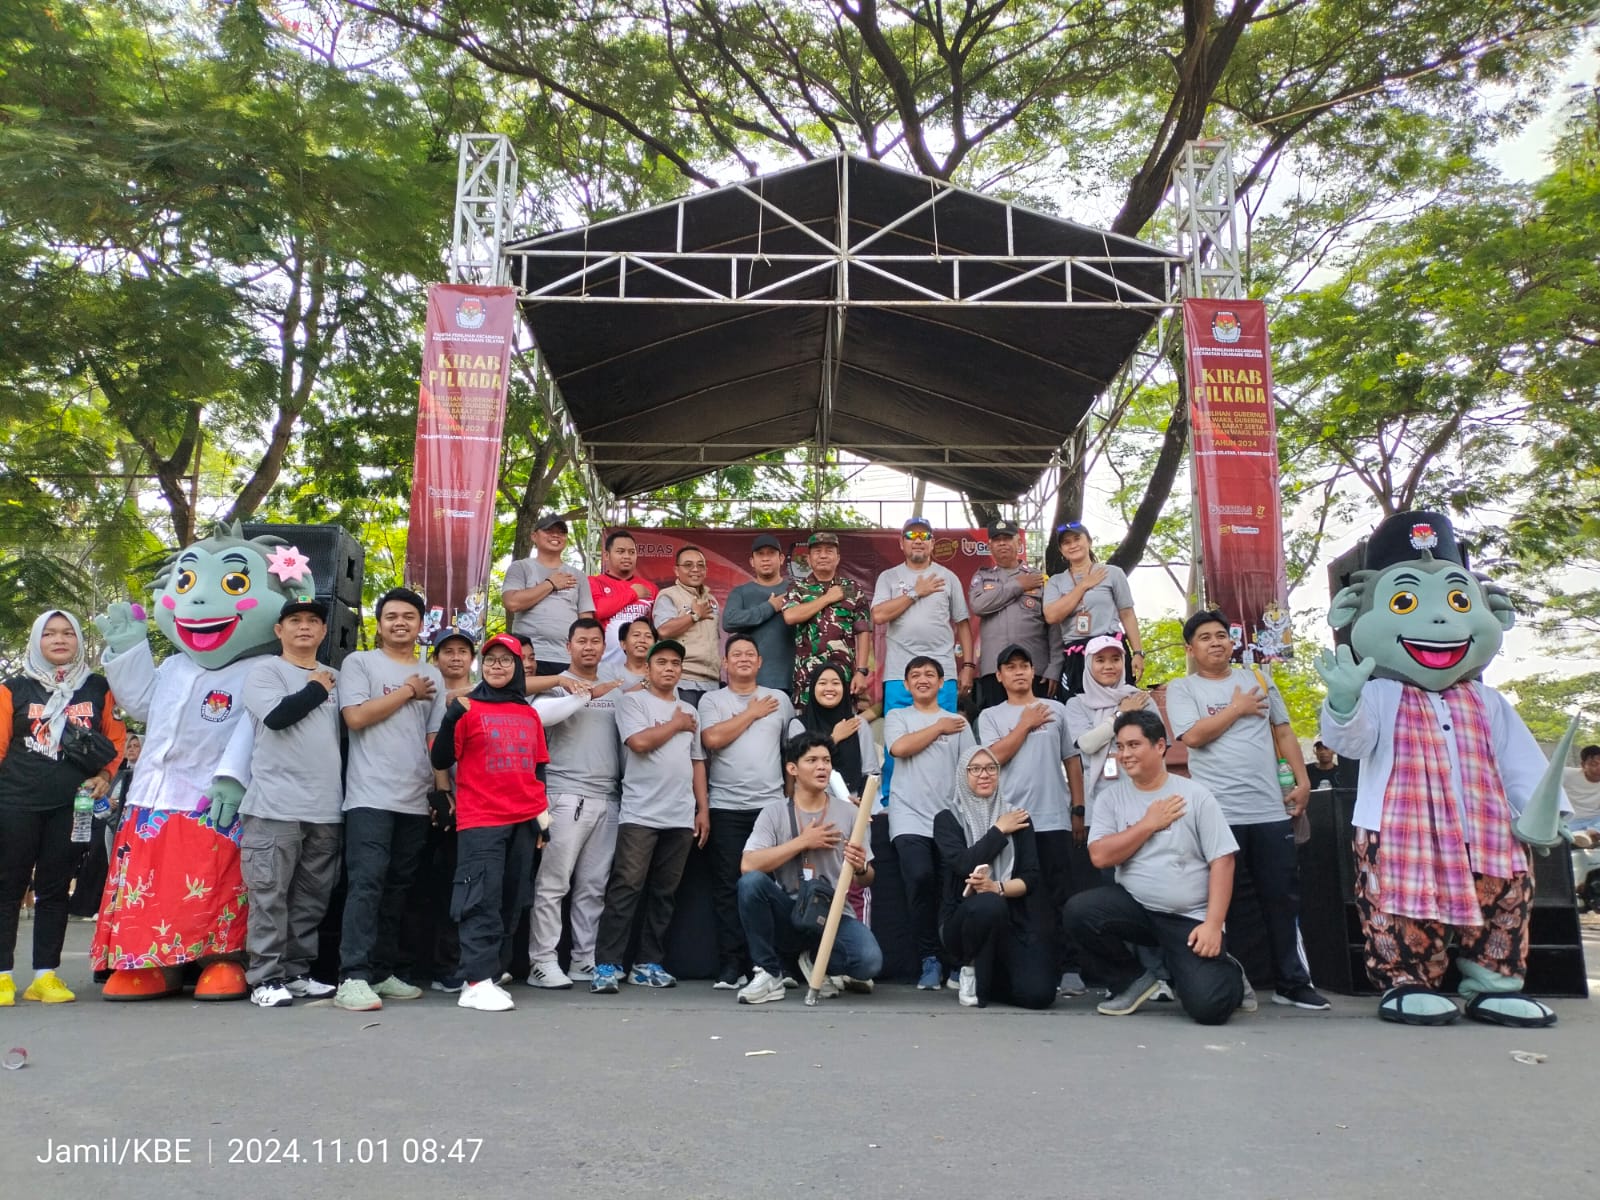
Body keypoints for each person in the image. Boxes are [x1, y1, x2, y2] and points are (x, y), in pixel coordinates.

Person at [1165, 608, 1329, 1011]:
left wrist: (1302, 779)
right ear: (1191, 648)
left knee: (1282, 897)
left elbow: (1283, 730)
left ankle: (1293, 982)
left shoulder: (1257, 678)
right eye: (1205, 637)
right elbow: (1194, 737)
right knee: (1224, 901)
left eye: (1221, 635)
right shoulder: (1183, 689)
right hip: (1218, 812)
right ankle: (1231, 982)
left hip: (1270, 810)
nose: (1216, 642)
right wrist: (1236, 710)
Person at [1064, 710, 1245, 1024]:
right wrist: (1148, 824)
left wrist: (1214, 925)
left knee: (1209, 1008)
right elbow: (1100, 856)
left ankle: (1229, 971)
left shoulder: (1195, 795)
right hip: (1137, 909)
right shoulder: (1111, 799)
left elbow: (1223, 860)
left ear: (1160, 746)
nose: (1125, 754)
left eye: (1134, 745)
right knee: (1079, 911)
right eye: (1120, 747)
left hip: (1189, 917)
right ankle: (1132, 980)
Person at [0, 610, 127, 1006]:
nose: (59, 640)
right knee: (7, 888)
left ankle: (45, 976)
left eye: (68, 633)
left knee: (54, 890)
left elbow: (116, 738)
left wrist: (106, 775)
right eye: (50, 633)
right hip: (15, 801)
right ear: (37, 640)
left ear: (78, 640)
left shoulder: (96, 687)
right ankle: (3, 976)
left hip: (74, 805)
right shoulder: (13, 689)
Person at [332, 587, 448, 1012]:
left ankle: (382, 972)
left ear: (421, 626)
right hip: (369, 795)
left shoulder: (431, 675)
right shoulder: (360, 662)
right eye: (392, 616)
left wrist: (442, 791)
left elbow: (433, 739)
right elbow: (356, 717)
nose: (400, 623)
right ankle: (353, 976)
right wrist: (406, 692)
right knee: (366, 884)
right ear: (379, 624)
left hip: (414, 799)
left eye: (409, 617)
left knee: (399, 888)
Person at [430, 634, 553, 1013]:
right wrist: (452, 716)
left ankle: (491, 973)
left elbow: (538, 770)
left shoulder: (530, 713)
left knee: (512, 899)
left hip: (524, 819)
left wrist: (542, 823)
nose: (497, 666)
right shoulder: (468, 708)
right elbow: (441, 758)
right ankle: (474, 981)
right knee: (478, 898)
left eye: (505, 660)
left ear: (518, 667)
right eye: (490, 660)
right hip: (481, 818)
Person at [238, 599, 344, 1009]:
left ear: (323, 632)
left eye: (313, 622)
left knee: (311, 897)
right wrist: (317, 687)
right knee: (269, 895)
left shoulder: (336, 676)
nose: (304, 627)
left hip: (326, 806)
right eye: (295, 621)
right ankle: (265, 978)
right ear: (279, 631)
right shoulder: (265, 671)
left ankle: (297, 972)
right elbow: (279, 717)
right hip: (273, 805)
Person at [590, 639, 710, 993]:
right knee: (626, 887)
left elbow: (697, 762)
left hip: (680, 814)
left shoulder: (692, 710)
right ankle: (607, 965)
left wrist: (702, 809)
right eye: (662, 663)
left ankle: (647, 963)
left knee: (664, 892)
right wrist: (675, 725)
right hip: (640, 812)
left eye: (676, 663)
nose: (669, 668)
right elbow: (639, 744)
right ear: (648, 668)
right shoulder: (632, 703)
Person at [734, 733, 882, 1005]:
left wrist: (861, 868)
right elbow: (748, 865)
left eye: (826, 761)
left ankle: (816, 961)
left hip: (833, 913)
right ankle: (769, 973)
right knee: (751, 884)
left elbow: (867, 879)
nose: (822, 767)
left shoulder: (851, 814)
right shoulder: (774, 812)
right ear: (793, 769)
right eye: (812, 760)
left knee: (869, 962)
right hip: (789, 910)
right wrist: (802, 842)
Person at [977, 644, 1083, 996]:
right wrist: (1024, 724)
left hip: (1055, 817)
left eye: (1025, 666)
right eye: (1011, 667)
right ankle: (1022, 965)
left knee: (1061, 894)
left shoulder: (1056, 709)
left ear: (1033, 672)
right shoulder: (990, 716)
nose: (1019, 672)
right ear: (1000, 676)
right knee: (1018, 895)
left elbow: (1072, 760)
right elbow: (994, 758)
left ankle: (1069, 968)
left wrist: (1078, 809)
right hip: (1012, 821)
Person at [526, 618, 624, 989]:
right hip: (566, 796)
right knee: (553, 885)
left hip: (609, 798)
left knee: (593, 887)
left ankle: (584, 960)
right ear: (568, 647)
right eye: (581, 641)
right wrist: (584, 693)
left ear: (603, 646)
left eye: (595, 641)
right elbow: (538, 716)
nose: (589, 647)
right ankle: (542, 962)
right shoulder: (556, 687)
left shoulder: (616, 688)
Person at [698, 634, 796, 988]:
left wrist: (788, 801)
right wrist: (752, 712)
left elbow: (791, 754)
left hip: (771, 808)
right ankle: (731, 966)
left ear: (760, 662)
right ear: (725, 663)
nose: (742, 659)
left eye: (749, 654)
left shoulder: (780, 700)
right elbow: (712, 740)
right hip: (726, 807)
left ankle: (770, 966)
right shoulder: (712, 700)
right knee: (728, 888)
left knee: (772, 888)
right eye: (735, 654)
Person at [934, 746, 1057, 1010]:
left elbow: (1031, 877)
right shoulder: (947, 818)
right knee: (988, 904)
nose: (984, 775)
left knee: (1039, 995)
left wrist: (997, 887)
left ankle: (991, 978)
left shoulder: (1018, 818)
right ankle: (969, 968)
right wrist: (999, 830)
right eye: (975, 769)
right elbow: (963, 865)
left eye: (991, 768)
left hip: (1011, 922)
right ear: (962, 775)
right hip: (962, 921)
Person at [884, 656, 976, 989]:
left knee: (951, 891)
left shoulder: (960, 724)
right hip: (908, 815)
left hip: (949, 818)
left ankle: (955, 962)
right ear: (906, 685)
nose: (923, 679)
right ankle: (928, 958)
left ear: (942, 683)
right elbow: (899, 748)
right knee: (920, 879)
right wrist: (938, 727)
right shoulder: (898, 716)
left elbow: (971, 770)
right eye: (915, 675)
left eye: (930, 675)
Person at [407, 626, 477, 993]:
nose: (454, 657)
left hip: (476, 806)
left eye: (462, 651)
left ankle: (458, 965)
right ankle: (424, 967)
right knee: (427, 888)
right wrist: (441, 794)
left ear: (471, 657)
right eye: (446, 651)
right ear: (435, 658)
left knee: (463, 889)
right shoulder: (424, 694)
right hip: (430, 801)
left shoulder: (486, 695)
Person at [1042, 522, 1144, 697]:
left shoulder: (1112, 573)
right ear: (1061, 550)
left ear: (1089, 541)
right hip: (1077, 654)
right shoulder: (1055, 582)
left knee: (1123, 704)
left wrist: (1138, 653)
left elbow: (1127, 614)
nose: (1073, 545)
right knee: (1078, 707)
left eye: (1077, 539)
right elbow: (1052, 616)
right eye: (1066, 542)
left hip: (1110, 649)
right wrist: (1083, 585)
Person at [968, 519, 1052, 711]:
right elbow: (979, 605)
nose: (1002, 543)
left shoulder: (1038, 577)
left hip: (1035, 668)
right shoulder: (982, 577)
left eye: (1008, 538)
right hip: (994, 671)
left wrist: (1054, 666)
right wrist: (1019, 585)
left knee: (1038, 727)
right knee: (999, 730)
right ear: (989, 546)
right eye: (997, 540)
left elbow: (1053, 624)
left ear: (1019, 543)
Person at [783, 531, 872, 704]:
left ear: (838, 558)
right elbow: (790, 616)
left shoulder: (851, 589)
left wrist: (861, 671)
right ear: (808, 559)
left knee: (844, 726)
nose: (823, 555)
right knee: (808, 728)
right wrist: (827, 598)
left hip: (843, 677)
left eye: (829, 551)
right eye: (817, 551)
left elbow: (863, 630)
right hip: (807, 677)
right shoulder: (798, 588)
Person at [502, 513, 596, 676]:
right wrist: (550, 584)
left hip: (566, 659)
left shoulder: (578, 575)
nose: (555, 535)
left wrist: (584, 657)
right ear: (534, 536)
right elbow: (512, 603)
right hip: (527, 658)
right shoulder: (521, 567)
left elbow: (586, 622)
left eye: (561, 532)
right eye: (548, 530)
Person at [70, 732, 142, 921]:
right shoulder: (116, 772)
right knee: (104, 863)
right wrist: (106, 801)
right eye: (130, 746)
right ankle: (98, 906)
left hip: (133, 824)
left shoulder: (144, 772)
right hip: (107, 822)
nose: (132, 750)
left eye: (136, 746)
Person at [789, 662, 877, 800]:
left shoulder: (857, 724)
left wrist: (861, 805)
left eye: (836, 683)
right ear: (813, 688)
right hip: (812, 804)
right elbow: (798, 766)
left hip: (854, 805)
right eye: (822, 683)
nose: (829, 688)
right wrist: (833, 738)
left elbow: (871, 773)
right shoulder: (799, 725)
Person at [721, 533, 796, 696]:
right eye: (760, 554)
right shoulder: (740, 592)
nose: (766, 559)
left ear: (781, 558)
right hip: (748, 683)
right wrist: (769, 607)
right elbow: (729, 622)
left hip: (790, 680)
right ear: (752, 561)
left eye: (771, 554)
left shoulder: (795, 591)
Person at [652, 546, 721, 706]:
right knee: (684, 728)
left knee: (709, 731)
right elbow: (663, 630)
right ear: (677, 570)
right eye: (688, 565)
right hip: (683, 679)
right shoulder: (669, 595)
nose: (695, 569)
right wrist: (694, 616)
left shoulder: (712, 600)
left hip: (711, 680)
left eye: (700, 565)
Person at [590, 529, 658, 666]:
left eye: (632, 552)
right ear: (606, 556)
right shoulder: (594, 581)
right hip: (603, 665)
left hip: (640, 667)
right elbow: (598, 611)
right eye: (620, 552)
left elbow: (657, 627)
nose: (627, 556)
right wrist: (632, 593)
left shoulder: (650, 588)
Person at [602, 616, 655, 691]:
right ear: (623, 644)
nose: (642, 640)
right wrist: (645, 682)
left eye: (648, 636)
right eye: (636, 635)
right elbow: (615, 700)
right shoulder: (608, 671)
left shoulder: (663, 674)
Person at [1566, 745, 1600, 836]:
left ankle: (1590, 836)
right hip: (1571, 821)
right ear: (1583, 765)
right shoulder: (1566, 774)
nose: (1599, 768)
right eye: (1594, 764)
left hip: (1595, 822)